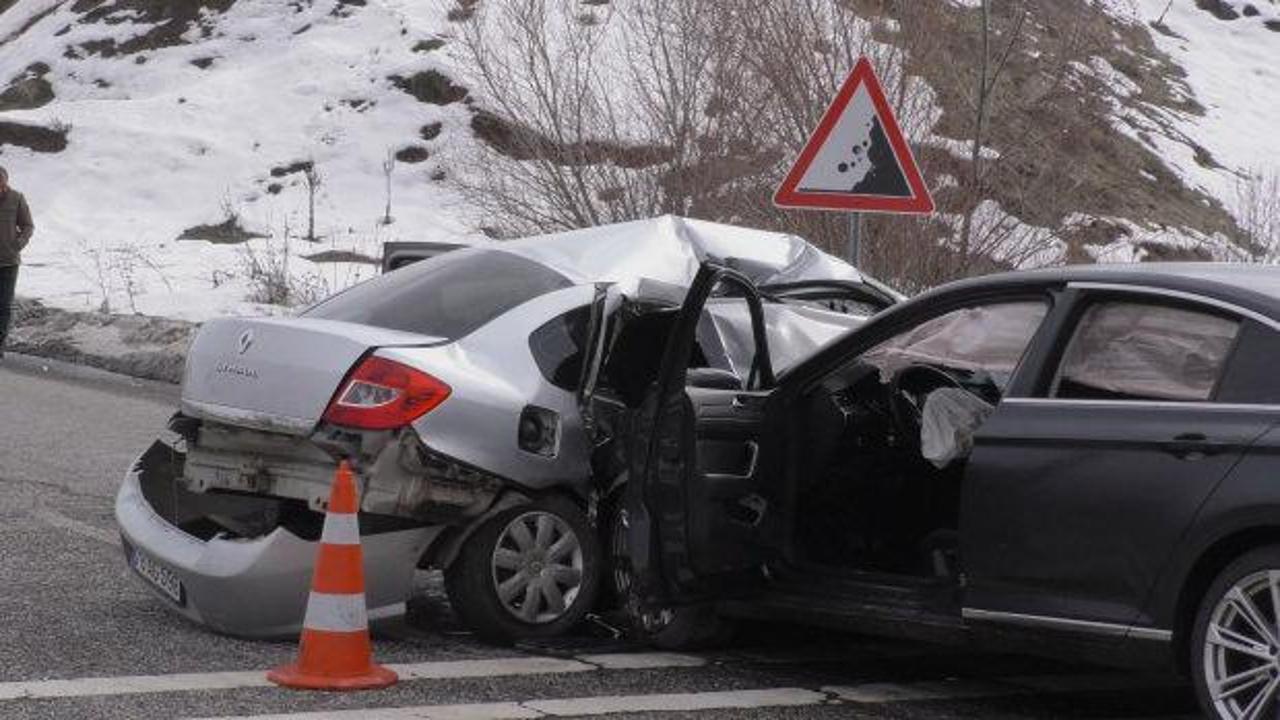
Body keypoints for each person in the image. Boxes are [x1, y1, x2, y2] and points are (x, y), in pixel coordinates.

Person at [0, 165, 34, 359]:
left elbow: (28, 225)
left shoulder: (16, 198)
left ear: (6, 182)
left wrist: (18, 244)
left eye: (2, 185)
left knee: (3, 306)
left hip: (8, 262)